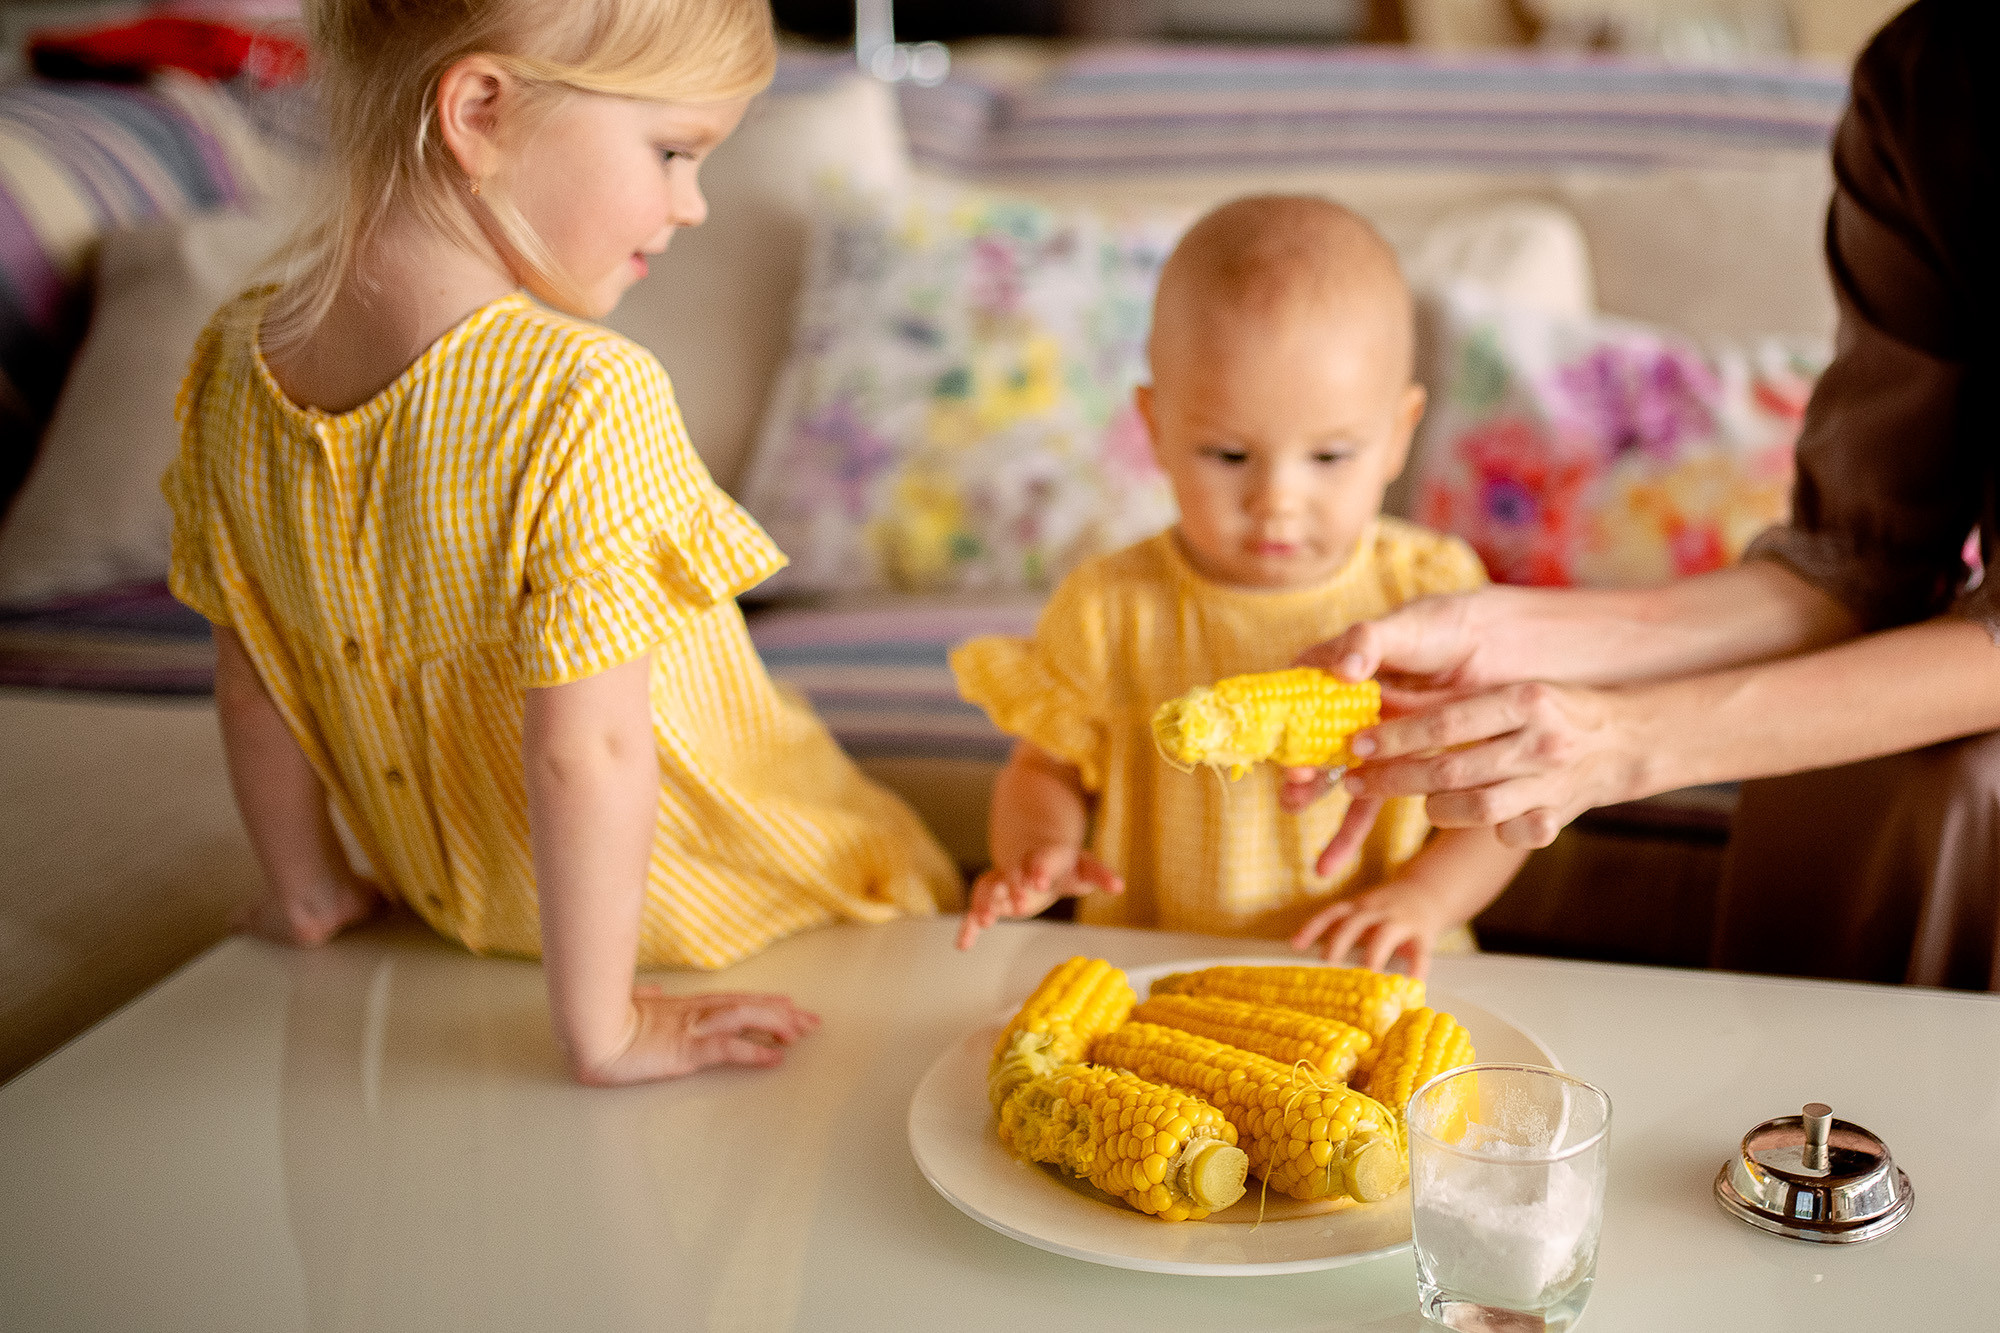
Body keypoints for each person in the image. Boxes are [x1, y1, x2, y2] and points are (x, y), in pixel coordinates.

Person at [163, 0, 961, 1086]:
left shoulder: (227, 361)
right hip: (761, 908)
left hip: (468, 924)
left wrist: (306, 888)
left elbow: (252, 672)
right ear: (480, 110)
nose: (690, 206)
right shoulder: (585, 394)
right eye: (674, 151)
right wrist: (605, 1028)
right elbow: (587, 750)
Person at [1283, 0, 1999, 990]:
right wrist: (1522, 638)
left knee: (1961, 777)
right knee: (1851, 764)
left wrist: (1625, 740)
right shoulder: (1926, 84)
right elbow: (1859, 563)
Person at [949, 196, 1527, 976]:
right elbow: (1043, 768)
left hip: (1372, 966)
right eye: (1228, 455)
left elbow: (1502, 794)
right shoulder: (1110, 608)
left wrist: (1423, 898)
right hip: (1161, 973)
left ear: (1398, 433)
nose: (1277, 500)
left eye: (1328, 458)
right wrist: (1039, 849)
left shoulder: (1431, 595)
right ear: (1155, 428)